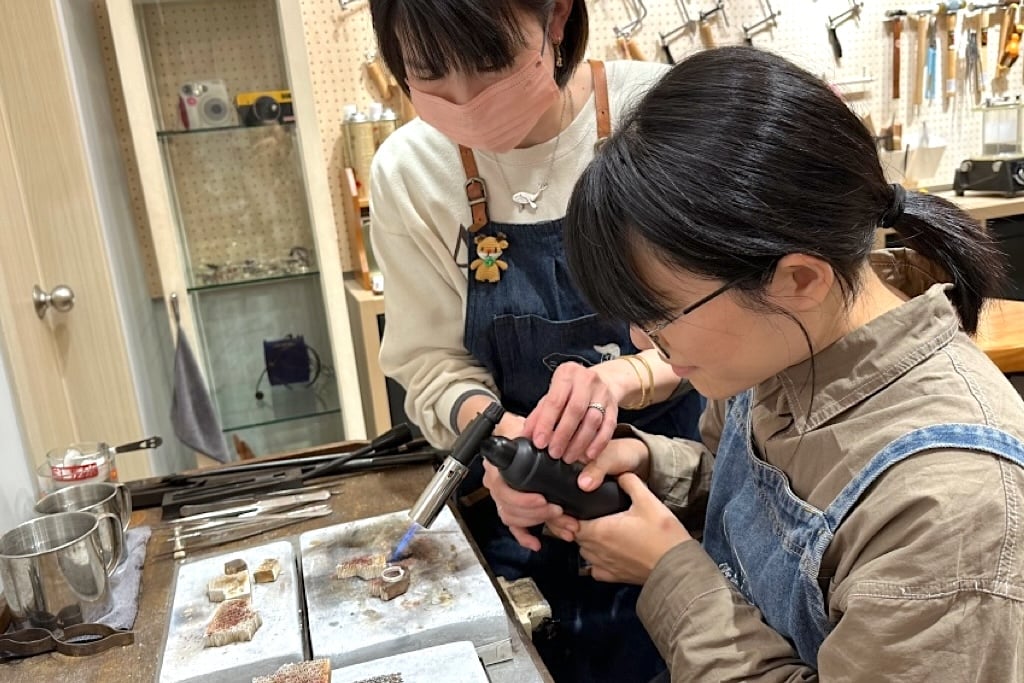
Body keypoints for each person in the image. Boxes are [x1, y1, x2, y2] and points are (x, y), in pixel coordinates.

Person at [505, 46, 1024, 679]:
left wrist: (671, 575)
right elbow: (755, 494)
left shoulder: (952, 507)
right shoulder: (788, 344)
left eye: (659, 313)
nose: (643, 342)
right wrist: (650, 465)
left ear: (797, 279)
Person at [366, 1, 704, 680]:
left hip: (685, 502)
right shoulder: (410, 172)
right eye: (429, 74)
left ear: (555, 19)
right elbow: (430, 360)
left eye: (490, 64)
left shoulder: (665, 116)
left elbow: (737, 323)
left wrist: (627, 376)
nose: (466, 102)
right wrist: (497, 445)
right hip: (525, 533)